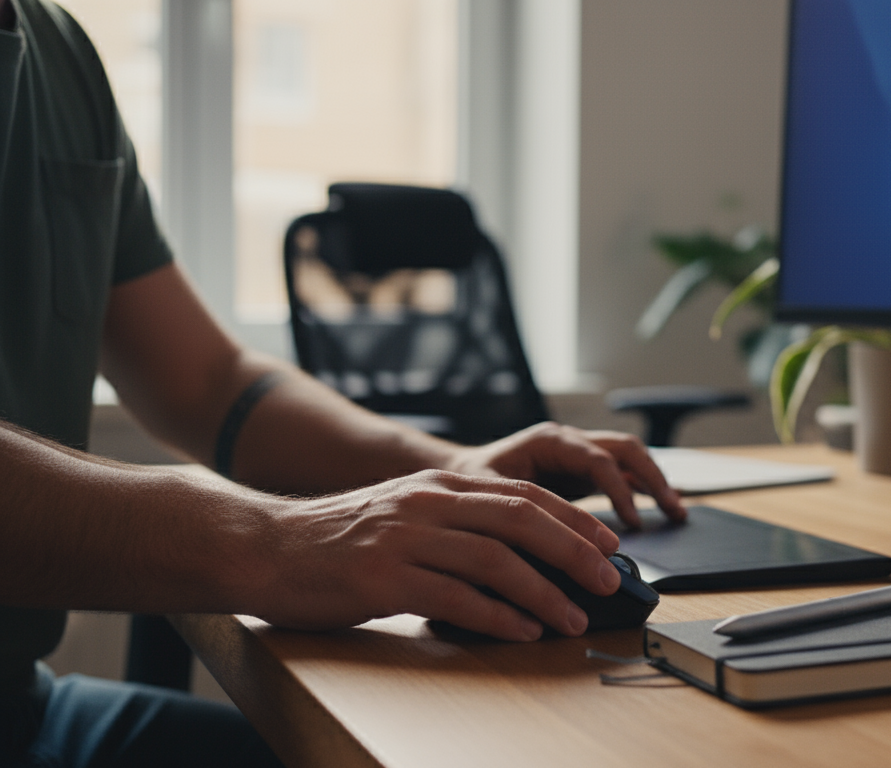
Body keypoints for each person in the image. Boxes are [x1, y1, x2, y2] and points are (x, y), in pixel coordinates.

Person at [0, 0, 684, 764]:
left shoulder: (59, 51)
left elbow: (211, 383)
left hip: (30, 710)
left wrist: (454, 469)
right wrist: (274, 544)